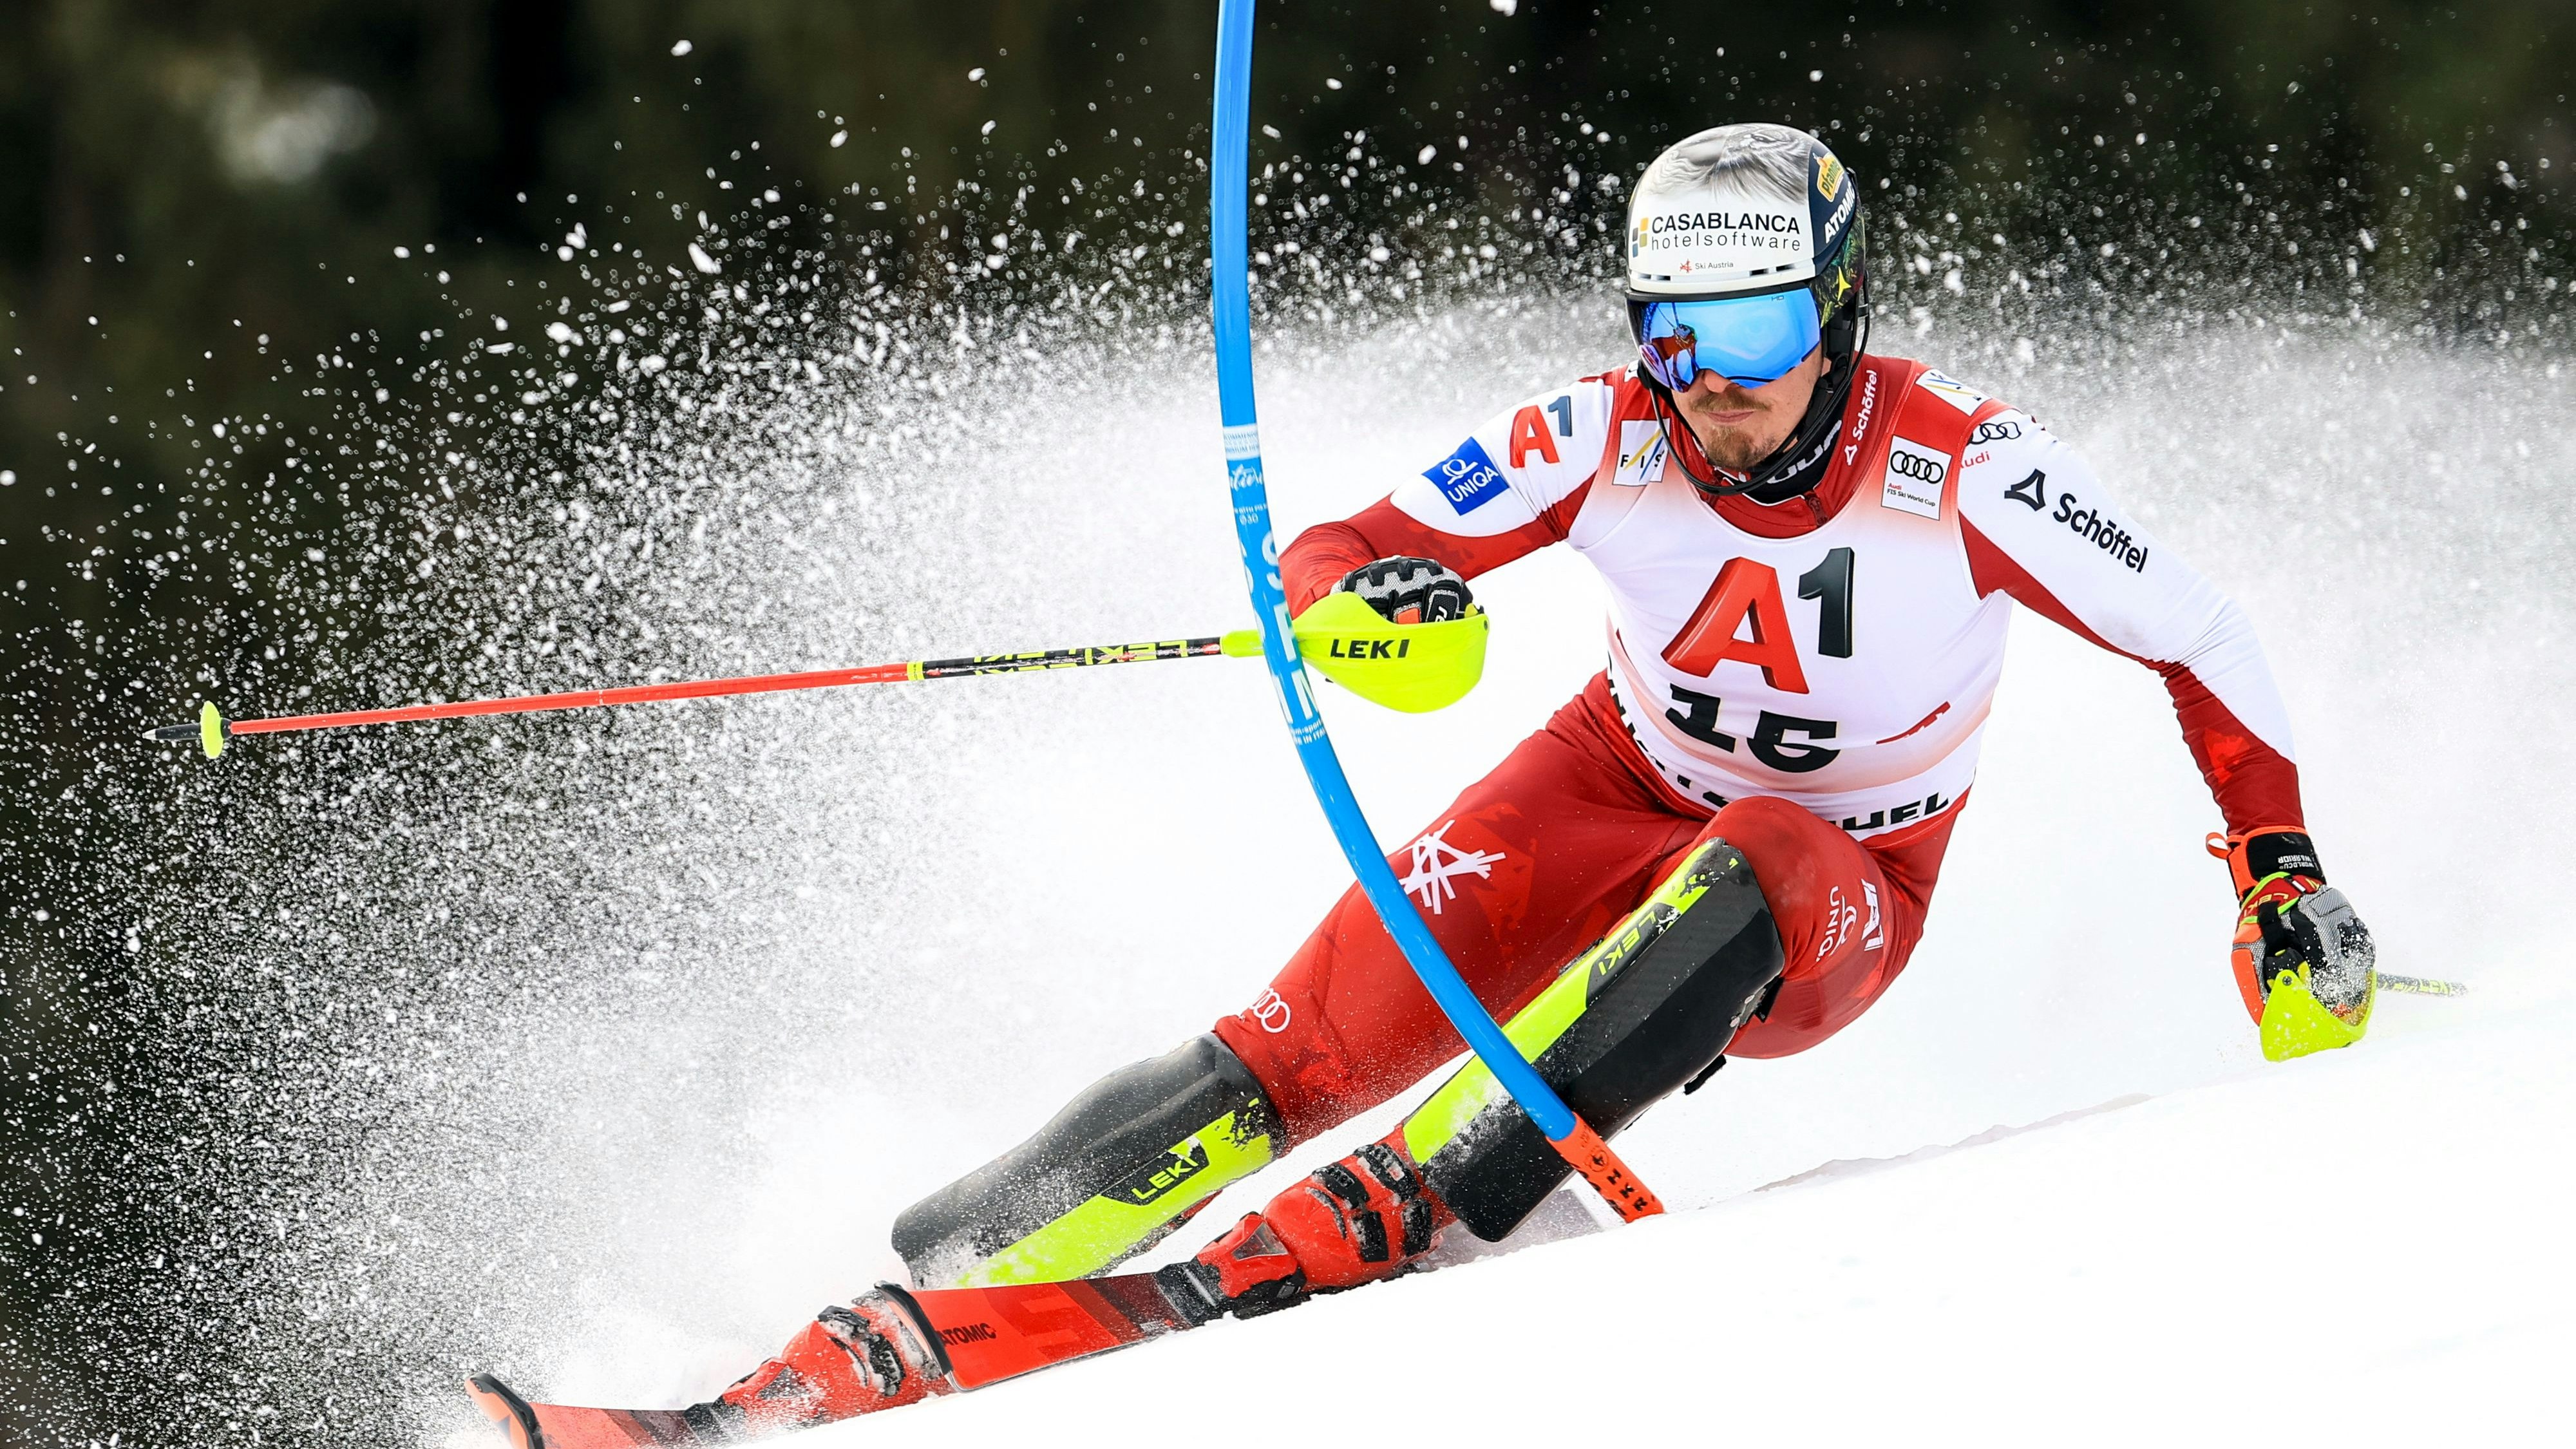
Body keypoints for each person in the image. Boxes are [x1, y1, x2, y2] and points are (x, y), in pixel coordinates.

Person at [699, 122, 2378, 1430]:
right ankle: (946, 1281)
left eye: (1762, 324)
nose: (1715, 378)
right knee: (1288, 1049)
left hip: (1839, 884)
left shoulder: (1975, 468)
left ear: (1841, 309)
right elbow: (1348, 544)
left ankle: (1430, 1197)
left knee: (1770, 848)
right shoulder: (1610, 431)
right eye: (1676, 333)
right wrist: (1355, 598)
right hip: (1608, 787)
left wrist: (2279, 872)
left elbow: (2203, 633)